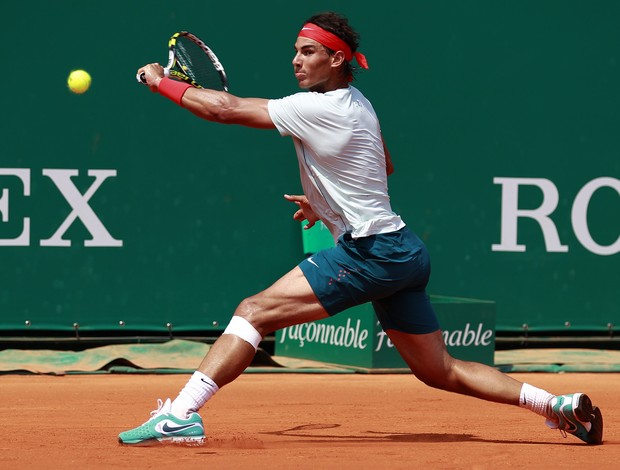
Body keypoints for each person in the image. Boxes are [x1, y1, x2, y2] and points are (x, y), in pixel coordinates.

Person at [120, 11, 603, 446]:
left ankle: (180, 415)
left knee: (253, 311)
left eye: (307, 52)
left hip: (371, 253)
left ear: (336, 58)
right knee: (441, 371)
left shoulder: (316, 109)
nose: (296, 60)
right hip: (403, 251)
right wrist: (326, 203)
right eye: (294, 50)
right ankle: (557, 406)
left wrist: (160, 81)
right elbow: (383, 164)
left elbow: (223, 108)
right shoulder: (358, 103)